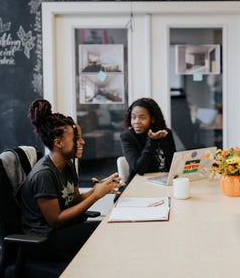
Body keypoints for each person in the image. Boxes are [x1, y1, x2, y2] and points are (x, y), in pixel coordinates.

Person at [20, 98, 124, 262]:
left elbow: (73, 201)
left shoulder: (67, 165)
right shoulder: (44, 174)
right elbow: (56, 221)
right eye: (76, 139)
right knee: (105, 235)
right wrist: (95, 196)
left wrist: (96, 190)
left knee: (108, 229)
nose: (82, 142)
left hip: (61, 231)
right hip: (44, 241)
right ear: (58, 142)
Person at [120, 97, 176, 184]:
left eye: (142, 118)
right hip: (139, 184)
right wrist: (152, 140)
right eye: (133, 117)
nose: (136, 122)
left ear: (152, 119)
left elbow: (173, 163)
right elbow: (139, 169)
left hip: (165, 183)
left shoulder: (165, 133)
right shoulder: (128, 137)